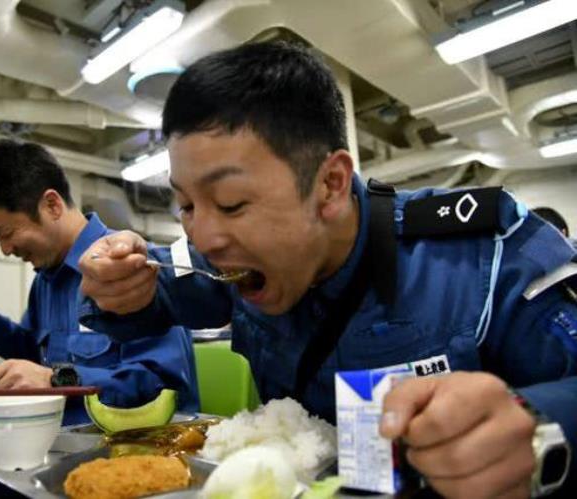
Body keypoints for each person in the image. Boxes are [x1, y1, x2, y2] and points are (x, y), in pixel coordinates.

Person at [77, 42, 577, 497]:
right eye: (185, 205)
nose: (203, 236)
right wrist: (115, 284)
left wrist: (539, 426)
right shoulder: (221, 259)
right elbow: (149, 294)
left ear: (331, 184)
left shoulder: (485, 255)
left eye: (230, 203)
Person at [0, 139, 198, 420]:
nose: (5, 250)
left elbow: (160, 386)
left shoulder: (128, 263)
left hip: (138, 444)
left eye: (5, 233)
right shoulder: (46, 280)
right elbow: (36, 357)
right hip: (60, 436)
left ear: (52, 205)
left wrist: (59, 381)